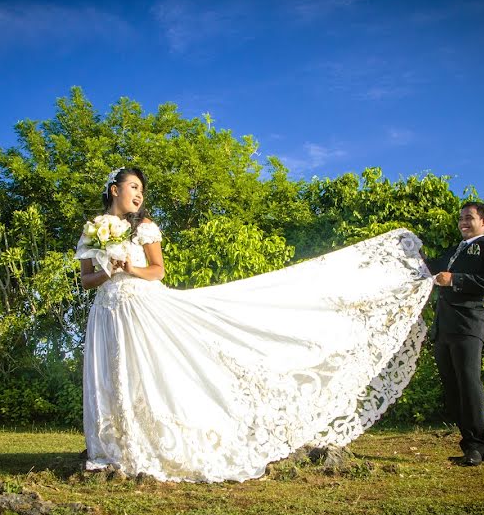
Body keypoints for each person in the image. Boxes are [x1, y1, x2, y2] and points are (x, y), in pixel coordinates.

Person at [76, 167, 435, 482]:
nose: (139, 194)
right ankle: (114, 449)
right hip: (107, 312)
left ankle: (150, 444)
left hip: (143, 306)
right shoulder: (94, 230)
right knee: (111, 375)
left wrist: (129, 267)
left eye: (141, 189)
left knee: (149, 375)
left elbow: (158, 271)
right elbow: (86, 280)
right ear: (114, 190)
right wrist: (109, 268)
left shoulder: (147, 228)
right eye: (133, 187)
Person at [426, 201, 484, 466]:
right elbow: (425, 267)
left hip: (469, 325)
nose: (463, 222)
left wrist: (456, 280)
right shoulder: (452, 251)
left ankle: (473, 447)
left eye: (469, 217)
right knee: (454, 389)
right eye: (460, 218)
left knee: (469, 386)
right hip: (444, 328)